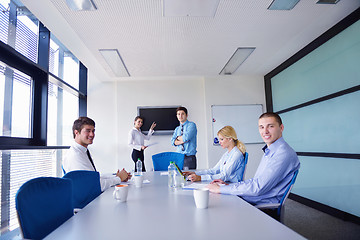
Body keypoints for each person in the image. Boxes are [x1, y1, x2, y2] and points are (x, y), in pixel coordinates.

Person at [208, 112, 300, 207]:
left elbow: (257, 187)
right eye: (261, 127)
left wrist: (220, 189)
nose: (265, 131)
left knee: (214, 206)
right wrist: (228, 186)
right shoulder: (271, 150)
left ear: (281, 128)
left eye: (270, 126)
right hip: (252, 199)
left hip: (261, 206)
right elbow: (255, 181)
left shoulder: (282, 154)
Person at [63, 117, 131, 191]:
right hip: (87, 201)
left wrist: (116, 176)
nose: (92, 134)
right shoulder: (75, 155)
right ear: (76, 133)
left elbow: (94, 177)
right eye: (88, 131)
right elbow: (96, 185)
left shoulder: (82, 151)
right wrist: (119, 178)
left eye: (93, 131)